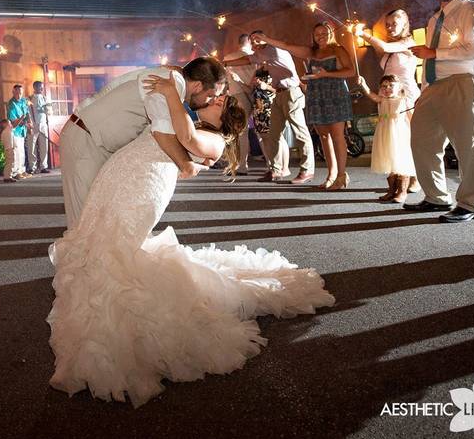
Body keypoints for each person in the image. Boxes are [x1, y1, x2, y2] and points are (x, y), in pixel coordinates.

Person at [47, 74, 334, 408]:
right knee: (99, 239)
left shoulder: (214, 140)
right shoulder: (184, 117)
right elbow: (162, 128)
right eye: (217, 97)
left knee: (115, 250)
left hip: (143, 188)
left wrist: (170, 92)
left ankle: (108, 323)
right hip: (118, 177)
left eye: (221, 102)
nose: (215, 100)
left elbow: (183, 135)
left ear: (225, 119)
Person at [59, 57, 225, 229]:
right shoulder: (170, 82)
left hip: (95, 141)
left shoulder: (170, 78)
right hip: (86, 140)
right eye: (210, 95)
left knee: (98, 218)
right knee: (85, 222)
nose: (210, 101)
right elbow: (162, 132)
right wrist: (186, 165)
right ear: (197, 86)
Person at [405, 0, 474, 223]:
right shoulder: (434, 19)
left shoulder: (472, 9)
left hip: (463, 81)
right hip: (434, 86)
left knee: (468, 144)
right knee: (422, 141)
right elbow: (428, 59)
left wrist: (433, 54)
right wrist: (423, 90)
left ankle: (469, 203)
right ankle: (435, 196)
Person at [253, 24, 355, 189]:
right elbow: (286, 46)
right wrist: (265, 39)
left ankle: (342, 176)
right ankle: (331, 175)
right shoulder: (311, 52)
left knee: (337, 135)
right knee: (323, 136)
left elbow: (350, 72)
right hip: (316, 94)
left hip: (335, 93)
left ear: (330, 33)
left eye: (324, 33)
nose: (320, 36)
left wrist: (326, 74)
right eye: (317, 34)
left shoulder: (338, 50)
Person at [225, 32, 314, 184]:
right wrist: (226, 64)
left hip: (291, 93)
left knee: (300, 132)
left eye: (256, 40)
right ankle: (275, 170)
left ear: (264, 38)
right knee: (272, 134)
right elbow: (247, 59)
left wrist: (264, 39)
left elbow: (281, 45)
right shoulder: (261, 54)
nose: (253, 44)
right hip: (279, 94)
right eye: (252, 41)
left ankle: (307, 170)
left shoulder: (275, 49)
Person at [359, 75, 416, 203]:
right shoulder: (382, 100)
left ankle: (402, 192)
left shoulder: (403, 100)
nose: (387, 88)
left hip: (399, 134)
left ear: (399, 87)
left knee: (400, 161)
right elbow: (371, 95)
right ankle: (391, 190)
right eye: (384, 86)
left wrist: (416, 132)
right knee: (389, 160)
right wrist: (364, 85)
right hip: (385, 133)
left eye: (391, 85)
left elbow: (410, 117)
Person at [222, 34, 257, 175]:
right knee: (262, 131)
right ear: (249, 42)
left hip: (237, 95)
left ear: (238, 42)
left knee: (241, 131)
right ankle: (273, 165)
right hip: (257, 94)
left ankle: (242, 165)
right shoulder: (256, 56)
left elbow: (224, 81)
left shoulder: (228, 58)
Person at [252, 69, 289, 177]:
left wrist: (267, 87)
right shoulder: (258, 70)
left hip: (272, 106)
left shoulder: (276, 70)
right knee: (264, 137)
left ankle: (285, 168)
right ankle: (272, 166)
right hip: (259, 108)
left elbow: (283, 89)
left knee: (278, 137)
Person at [5, 84, 31, 181]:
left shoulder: (24, 101)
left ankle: (21, 170)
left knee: (22, 152)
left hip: (22, 130)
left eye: (20, 92)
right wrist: (22, 119)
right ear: (13, 92)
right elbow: (13, 121)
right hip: (15, 131)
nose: (18, 94)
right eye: (16, 92)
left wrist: (29, 123)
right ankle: (16, 172)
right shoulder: (11, 104)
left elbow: (27, 113)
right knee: (16, 152)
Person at [27, 80, 51, 174]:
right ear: (35, 87)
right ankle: (32, 167)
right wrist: (29, 124)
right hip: (33, 124)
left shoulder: (45, 98)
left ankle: (43, 166)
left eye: (42, 87)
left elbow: (49, 111)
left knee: (44, 145)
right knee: (31, 146)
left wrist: (46, 110)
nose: (41, 89)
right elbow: (27, 112)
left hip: (43, 124)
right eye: (39, 87)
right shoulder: (29, 98)